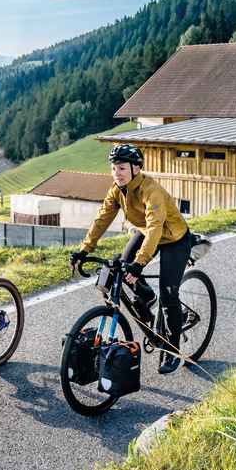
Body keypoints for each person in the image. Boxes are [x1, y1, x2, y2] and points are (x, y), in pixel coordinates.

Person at [69, 144, 192, 374]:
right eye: (114, 168)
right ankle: (147, 297)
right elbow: (101, 220)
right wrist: (83, 250)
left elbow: (156, 227)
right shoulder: (117, 189)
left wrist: (140, 263)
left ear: (136, 168)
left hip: (173, 238)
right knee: (122, 271)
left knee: (168, 294)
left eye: (122, 168)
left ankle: (173, 349)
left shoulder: (150, 190)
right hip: (145, 232)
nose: (117, 173)